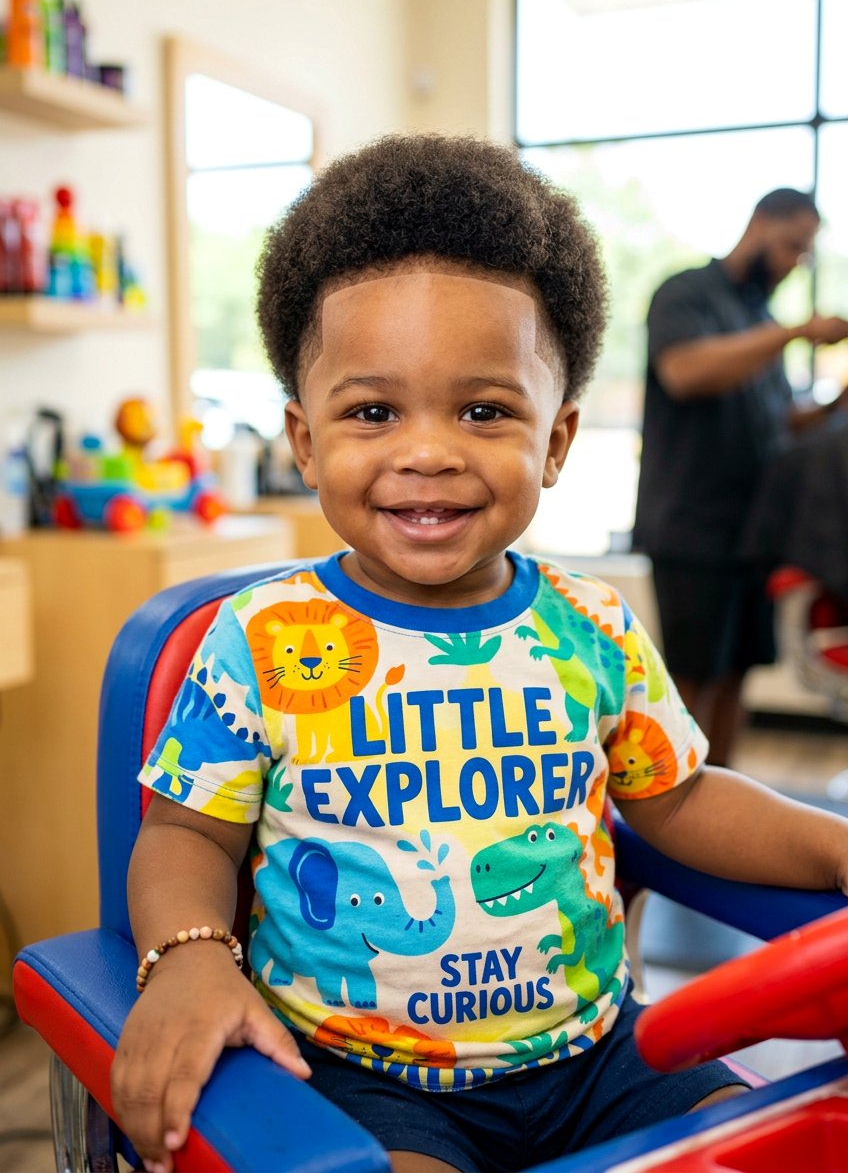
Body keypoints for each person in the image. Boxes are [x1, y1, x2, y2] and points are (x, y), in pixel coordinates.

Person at [111, 139, 848, 1173]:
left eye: (483, 410)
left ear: (553, 441)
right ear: (305, 439)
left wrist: (832, 846)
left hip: (601, 1059)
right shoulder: (265, 641)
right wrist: (188, 957)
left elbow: (678, 801)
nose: (428, 449)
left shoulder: (589, 626)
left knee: (761, 1152)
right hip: (367, 1075)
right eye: (373, 411)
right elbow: (187, 834)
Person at [633, 188, 848, 768]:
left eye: (803, 255)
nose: (793, 264)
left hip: (751, 532)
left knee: (735, 676)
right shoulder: (685, 294)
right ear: (759, 225)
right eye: (791, 247)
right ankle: (674, 822)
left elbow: (779, 422)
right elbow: (686, 373)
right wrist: (795, 333)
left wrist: (834, 406)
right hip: (692, 526)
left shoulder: (760, 318)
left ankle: (724, 800)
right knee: (691, 682)